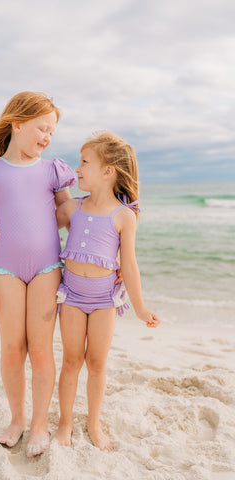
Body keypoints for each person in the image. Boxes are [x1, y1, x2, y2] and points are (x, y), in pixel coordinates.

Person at [0, 91, 76, 457]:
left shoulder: (53, 170)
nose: (47, 137)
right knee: (13, 350)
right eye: (42, 128)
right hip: (5, 271)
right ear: (17, 123)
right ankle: (17, 419)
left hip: (47, 268)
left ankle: (41, 424)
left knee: (41, 349)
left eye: (52, 132)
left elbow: (69, 216)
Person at [54, 131, 160, 451]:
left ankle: (94, 423)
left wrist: (140, 307)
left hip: (103, 301)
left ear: (107, 170)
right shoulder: (73, 208)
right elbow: (38, 228)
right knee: (72, 361)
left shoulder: (124, 216)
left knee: (97, 363)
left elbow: (129, 265)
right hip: (71, 296)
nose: (78, 168)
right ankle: (65, 423)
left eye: (85, 162)